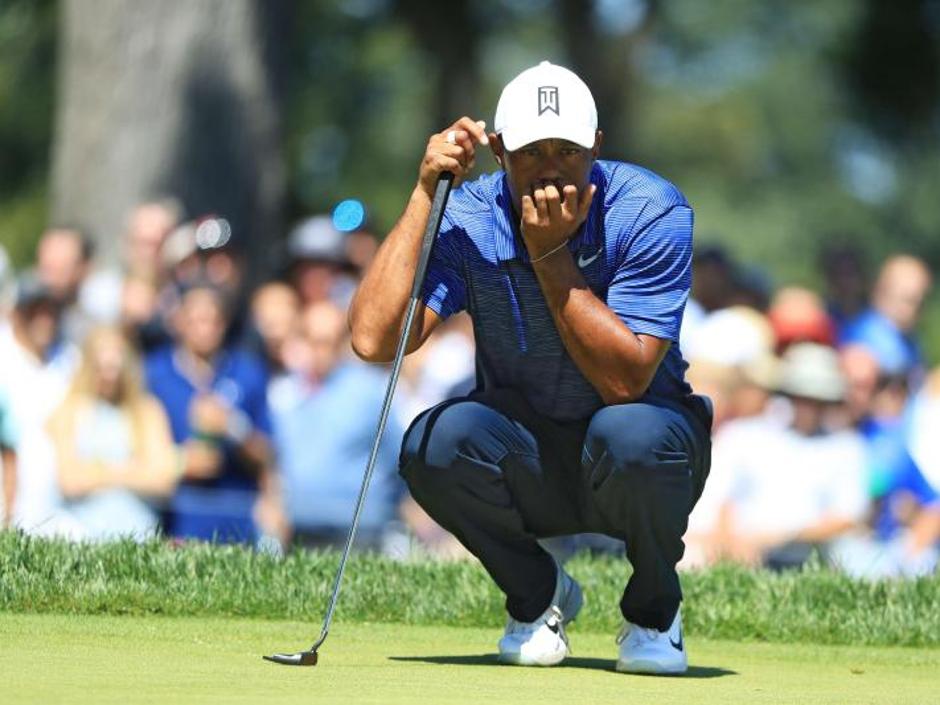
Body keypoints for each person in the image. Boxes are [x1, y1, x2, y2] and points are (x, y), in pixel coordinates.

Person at [349, 61, 712, 674]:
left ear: (596, 145)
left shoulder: (650, 209)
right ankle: (537, 594)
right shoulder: (467, 216)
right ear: (497, 150)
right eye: (530, 150)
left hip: (644, 442)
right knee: (436, 442)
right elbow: (374, 339)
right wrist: (423, 195)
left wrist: (548, 252)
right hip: (528, 449)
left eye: (567, 150)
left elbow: (626, 383)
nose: (549, 167)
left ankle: (654, 613)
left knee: (629, 434)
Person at [144, 281, 275, 544]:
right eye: (195, 320)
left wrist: (232, 427)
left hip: (236, 512)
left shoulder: (247, 373)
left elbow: (267, 455)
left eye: (212, 320)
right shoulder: (154, 374)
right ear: (179, 322)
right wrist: (180, 461)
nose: (204, 329)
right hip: (173, 513)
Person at [269, 300, 406, 552]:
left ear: (342, 343)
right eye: (312, 339)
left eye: (328, 341)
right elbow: (274, 459)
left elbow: (400, 455)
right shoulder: (284, 392)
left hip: (359, 534)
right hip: (297, 531)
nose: (319, 350)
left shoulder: (371, 391)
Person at [47, 326, 179, 541]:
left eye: (115, 368)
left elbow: (163, 480)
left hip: (140, 535)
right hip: (81, 535)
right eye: (102, 368)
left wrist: (97, 469)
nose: (109, 377)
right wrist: (133, 469)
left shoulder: (147, 411)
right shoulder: (70, 410)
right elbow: (69, 480)